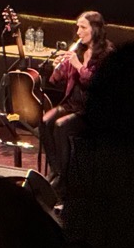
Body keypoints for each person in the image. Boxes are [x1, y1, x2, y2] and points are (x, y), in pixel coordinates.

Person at [41, 10, 112, 190]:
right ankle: (55, 170)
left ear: (95, 29)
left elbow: (95, 82)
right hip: (72, 104)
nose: (78, 32)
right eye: (77, 27)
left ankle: (65, 179)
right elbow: (56, 80)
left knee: (60, 126)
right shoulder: (80, 50)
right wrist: (59, 67)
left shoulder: (107, 53)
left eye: (83, 27)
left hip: (91, 109)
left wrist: (78, 65)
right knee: (45, 121)